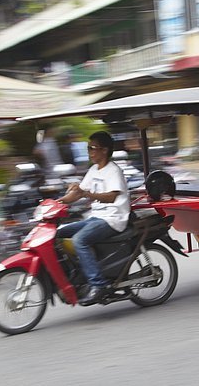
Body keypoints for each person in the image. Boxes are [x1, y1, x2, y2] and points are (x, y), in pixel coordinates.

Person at [56, 131, 130, 305]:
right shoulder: (93, 170)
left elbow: (111, 197)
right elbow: (77, 193)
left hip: (112, 218)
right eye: (88, 148)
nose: (89, 151)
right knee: (58, 234)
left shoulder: (113, 171)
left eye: (92, 148)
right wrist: (57, 202)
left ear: (104, 150)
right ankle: (78, 276)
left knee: (79, 240)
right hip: (96, 217)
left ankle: (98, 284)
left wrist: (87, 194)